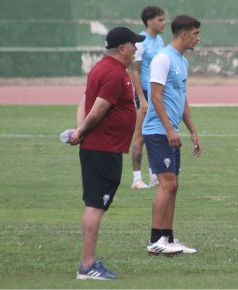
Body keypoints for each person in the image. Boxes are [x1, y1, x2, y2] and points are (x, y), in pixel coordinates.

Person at [68, 26, 145, 280]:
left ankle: (89, 263)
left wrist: (80, 130)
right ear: (122, 48)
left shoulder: (102, 68)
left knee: (95, 205)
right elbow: (98, 108)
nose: (136, 48)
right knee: (95, 206)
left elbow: (84, 101)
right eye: (133, 44)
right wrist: (82, 132)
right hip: (103, 150)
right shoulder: (113, 73)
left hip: (101, 148)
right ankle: (87, 265)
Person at [142, 15, 202, 256]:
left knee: (173, 186)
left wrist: (193, 130)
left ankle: (167, 239)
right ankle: (155, 240)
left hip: (170, 132)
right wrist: (169, 129)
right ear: (184, 34)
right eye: (196, 34)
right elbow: (155, 96)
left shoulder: (182, 61)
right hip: (158, 132)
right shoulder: (163, 59)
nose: (198, 39)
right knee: (167, 184)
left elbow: (182, 97)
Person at [130, 6, 166, 189]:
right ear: (149, 21)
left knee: (154, 135)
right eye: (160, 19)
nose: (164, 23)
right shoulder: (140, 42)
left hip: (155, 94)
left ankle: (153, 175)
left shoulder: (159, 40)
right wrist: (142, 100)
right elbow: (134, 71)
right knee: (140, 137)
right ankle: (136, 179)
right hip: (144, 94)